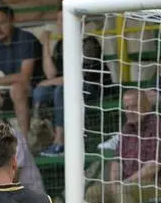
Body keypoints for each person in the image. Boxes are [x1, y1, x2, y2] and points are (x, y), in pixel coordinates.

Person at [34, 9, 111, 156]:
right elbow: (51, 74)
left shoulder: (88, 43)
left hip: (93, 88)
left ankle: (60, 141)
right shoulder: (60, 44)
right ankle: (41, 134)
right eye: (58, 19)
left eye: (63, 19)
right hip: (68, 87)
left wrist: (48, 82)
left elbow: (79, 77)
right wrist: (45, 45)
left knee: (61, 90)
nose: (60, 23)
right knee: (40, 92)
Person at [0, 6, 42, 136]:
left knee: (16, 88)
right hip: (10, 90)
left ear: (12, 20)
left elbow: (25, 77)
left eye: (1, 23)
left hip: (35, 88)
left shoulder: (26, 39)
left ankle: (24, 140)